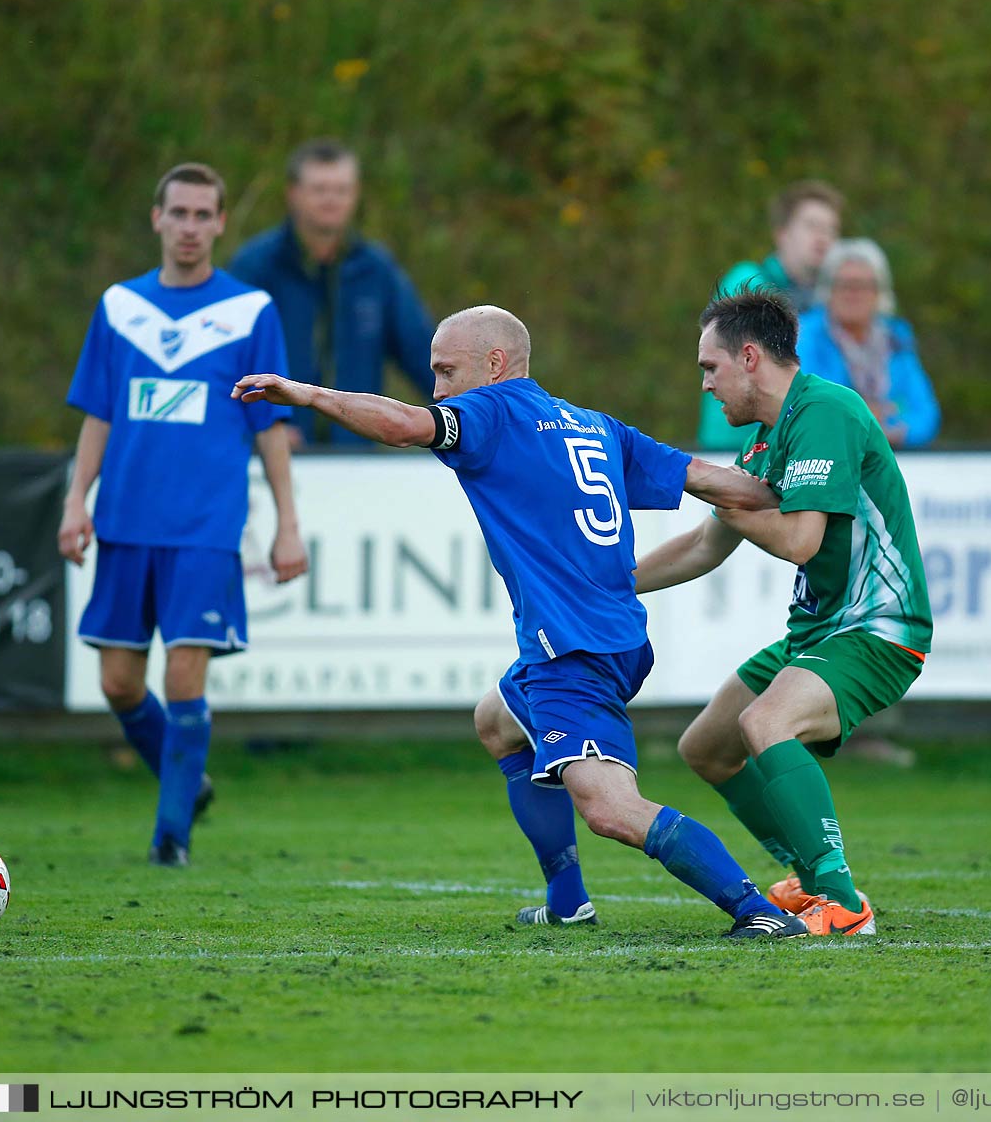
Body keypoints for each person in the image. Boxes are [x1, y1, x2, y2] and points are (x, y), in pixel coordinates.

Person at [234, 306, 808, 940]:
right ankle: (568, 901)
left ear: (496, 366)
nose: (438, 389)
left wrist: (308, 394)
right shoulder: (597, 427)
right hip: (604, 638)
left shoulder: (492, 413)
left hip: (575, 652)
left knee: (610, 809)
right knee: (497, 719)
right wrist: (802, 483)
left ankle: (757, 911)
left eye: (447, 371)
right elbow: (719, 484)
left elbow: (403, 425)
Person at [635, 288, 934, 936]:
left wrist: (726, 498)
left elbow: (799, 539)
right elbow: (706, 545)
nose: (707, 386)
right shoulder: (770, 440)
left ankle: (844, 903)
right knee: (706, 747)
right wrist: (608, 583)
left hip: (876, 626)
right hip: (821, 632)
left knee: (765, 721)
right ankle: (806, 872)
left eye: (709, 368)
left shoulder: (824, 412)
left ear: (748, 357)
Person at [60, 162, 309, 869]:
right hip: (125, 522)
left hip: (205, 526)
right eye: (181, 213)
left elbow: (269, 430)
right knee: (118, 683)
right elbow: (100, 414)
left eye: (205, 215)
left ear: (222, 224)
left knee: (185, 678)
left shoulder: (250, 311)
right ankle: (186, 782)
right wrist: (76, 499)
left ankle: (171, 837)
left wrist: (288, 522)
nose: (192, 227)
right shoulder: (118, 309)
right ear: (157, 219)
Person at [227, 139, 436, 448]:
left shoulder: (376, 272)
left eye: (341, 190)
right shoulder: (256, 267)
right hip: (275, 454)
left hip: (356, 458)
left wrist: (467, 419)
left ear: (355, 194)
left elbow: (422, 354)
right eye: (320, 189)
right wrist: (259, 427)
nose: (331, 200)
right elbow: (224, 360)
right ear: (293, 193)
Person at [697, 180, 843, 450]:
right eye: (812, 226)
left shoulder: (829, 304)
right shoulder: (747, 281)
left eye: (831, 230)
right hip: (734, 447)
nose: (823, 238)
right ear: (782, 234)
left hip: (790, 447)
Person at [797, 238, 940, 448]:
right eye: (844, 285)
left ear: (879, 292)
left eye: (863, 285)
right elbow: (806, 405)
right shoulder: (806, 335)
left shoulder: (896, 337)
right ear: (828, 290)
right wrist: (863, 419)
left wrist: (896, 430)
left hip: (891, 456)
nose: (853, 295)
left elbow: (926, 413)